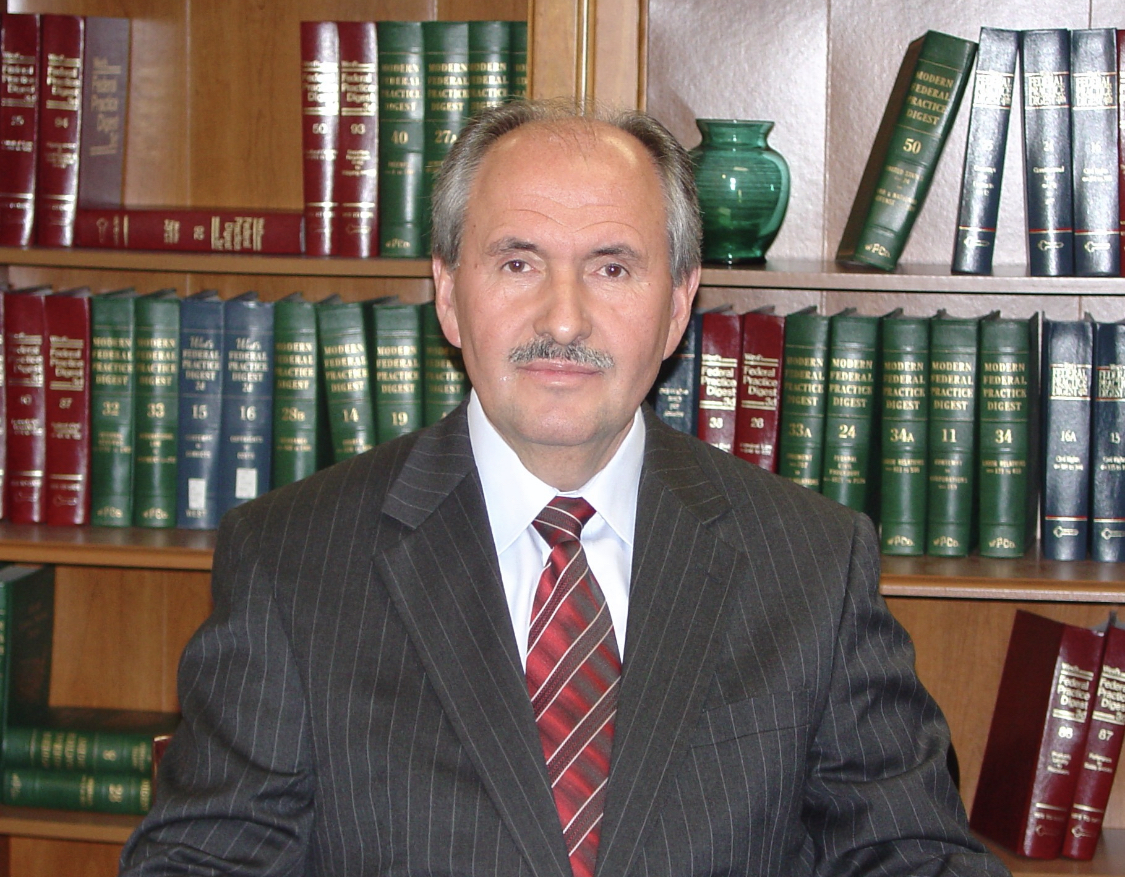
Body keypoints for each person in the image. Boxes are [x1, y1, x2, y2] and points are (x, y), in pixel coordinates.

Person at [119, 100, 1008, 877]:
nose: (563, 318)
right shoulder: (291, 560)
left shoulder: (812, 562)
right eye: (518, 262)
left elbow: (911, 853)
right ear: (447, 294)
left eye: (611, 267)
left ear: (678, 304)